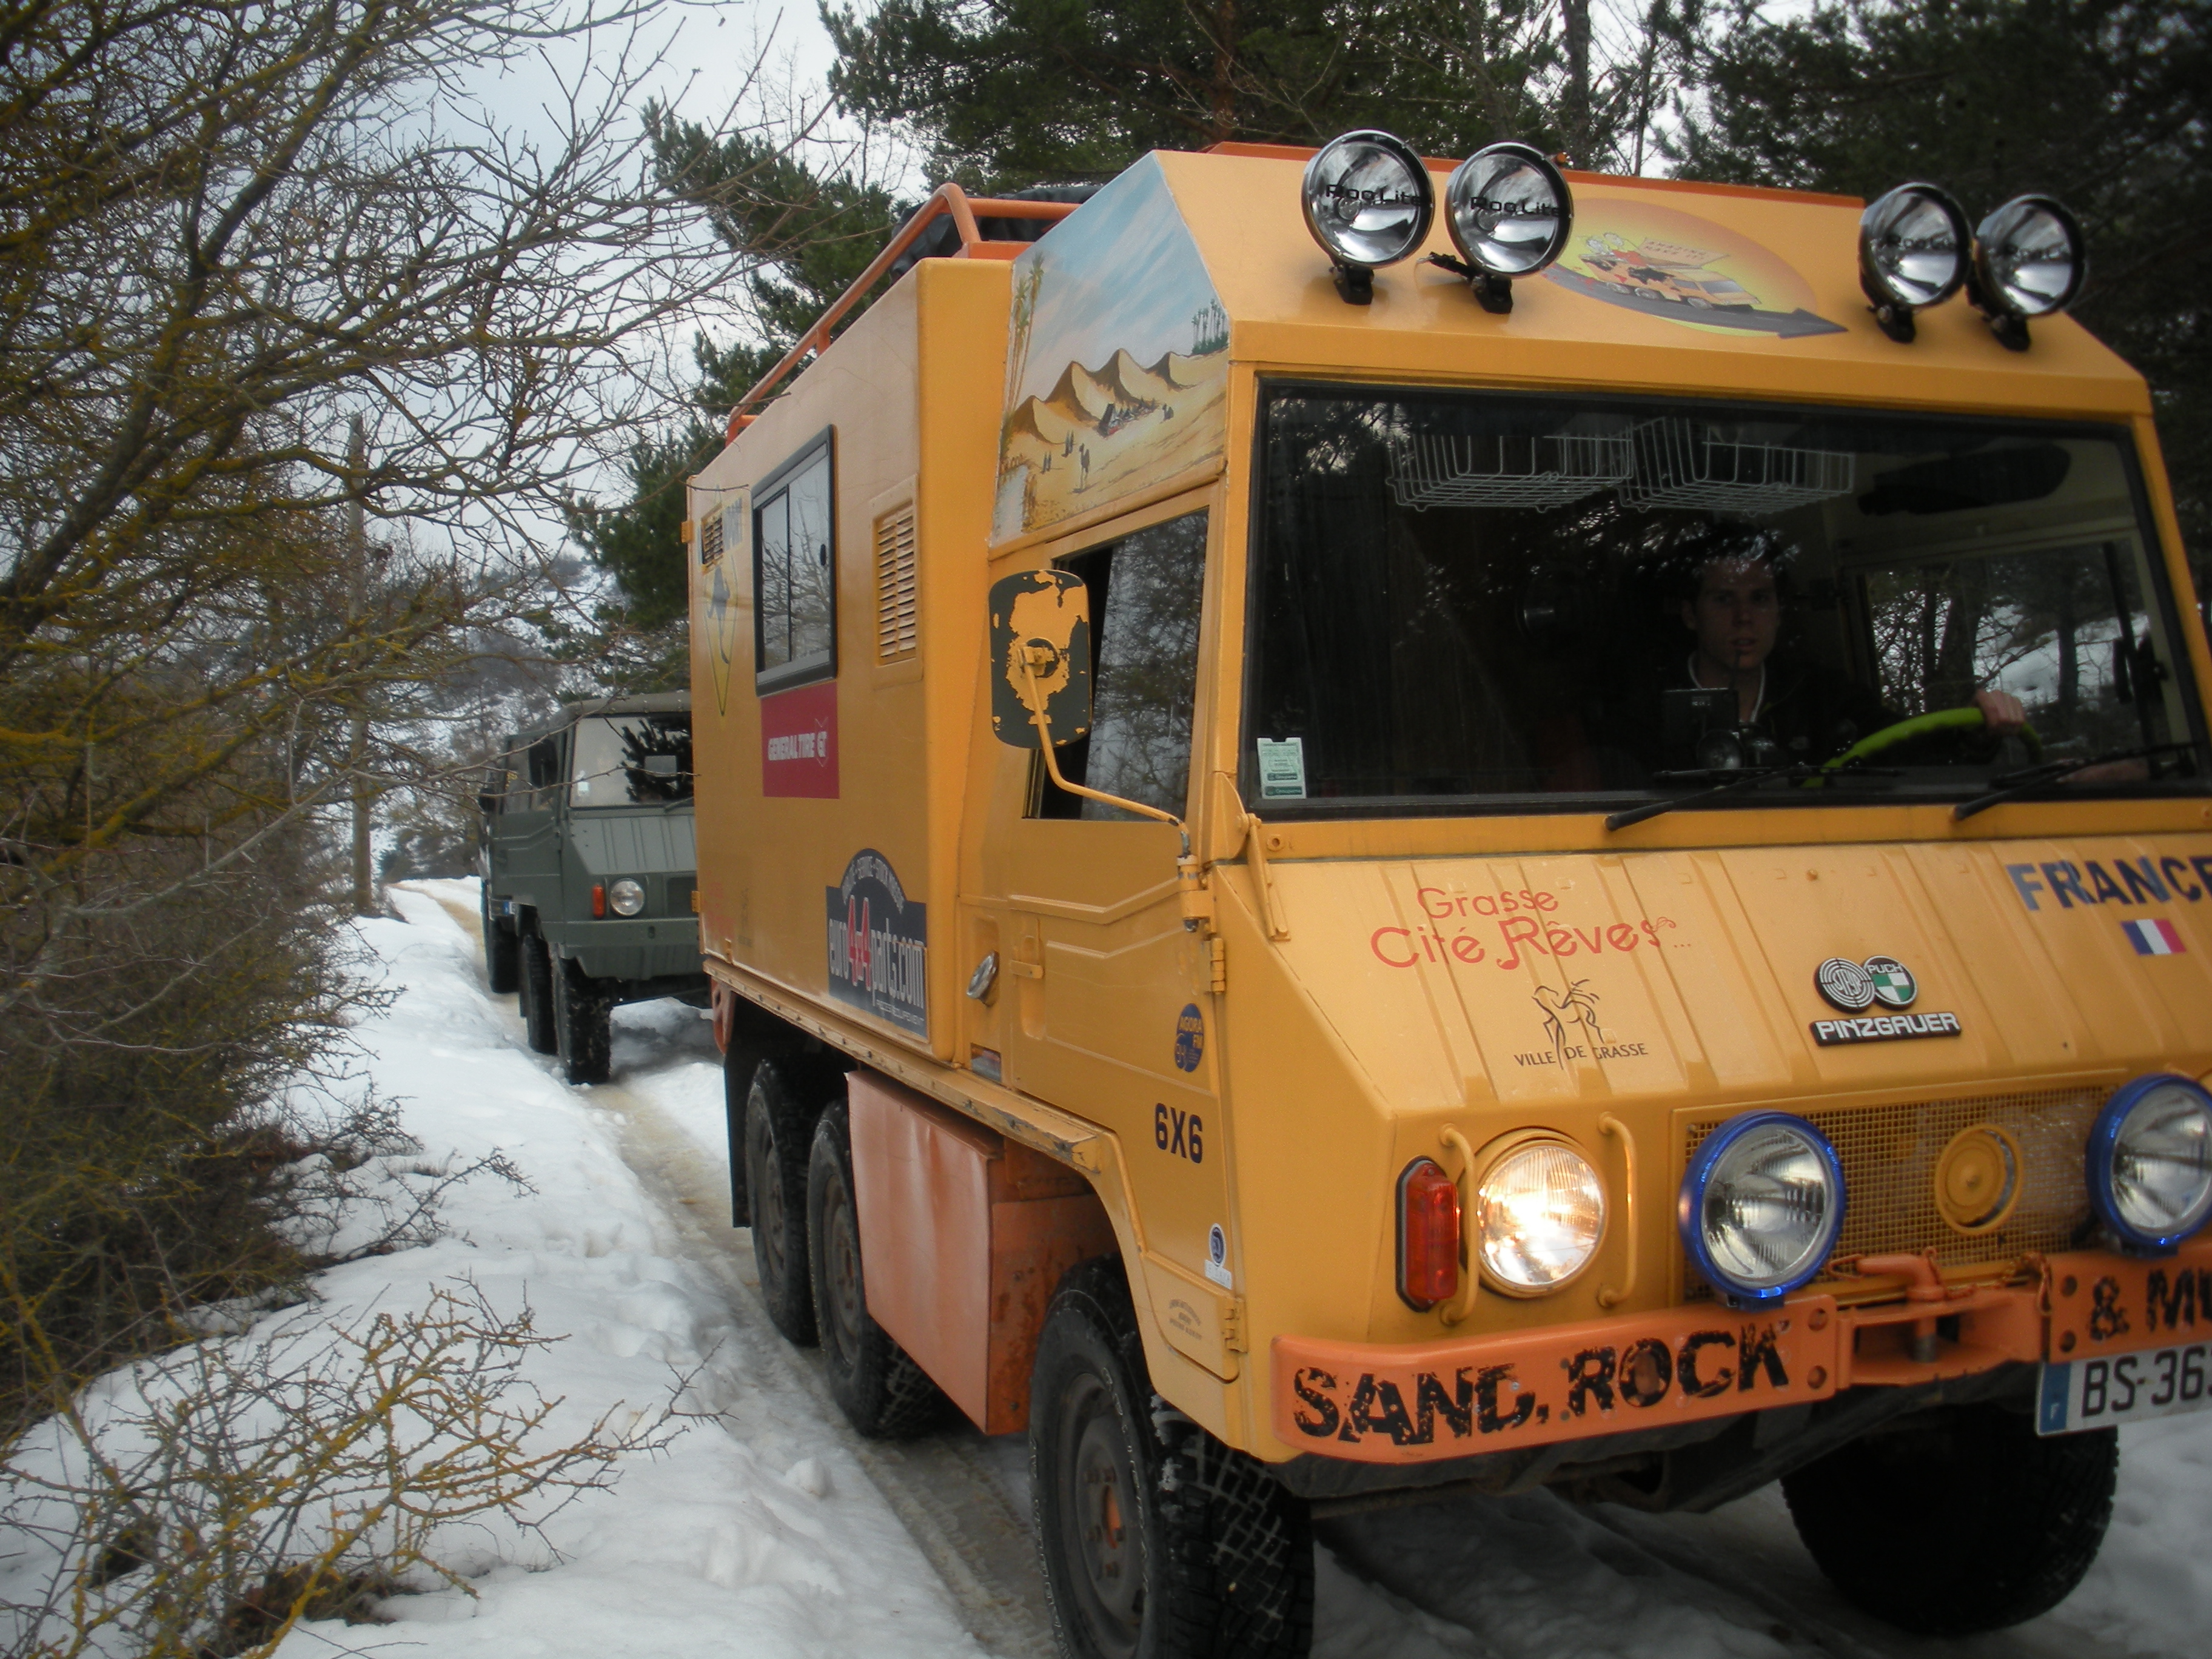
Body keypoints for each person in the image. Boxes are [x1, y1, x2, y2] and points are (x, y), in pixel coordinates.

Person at [1677, 551, 2028, 765]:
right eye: (1723, 599)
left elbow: (1911, 753)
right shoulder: (1650, 707)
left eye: (1759, 599)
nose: (1743, 617)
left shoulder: (1824, 697)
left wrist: (1976, 735)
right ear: (1691, 614)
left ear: (1779, 613)